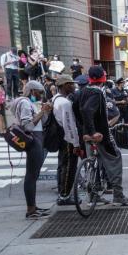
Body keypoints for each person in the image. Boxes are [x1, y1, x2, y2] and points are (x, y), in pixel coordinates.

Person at [76, 65, 128, 206]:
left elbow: (77, 110)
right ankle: (118, 195)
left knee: (92, 161)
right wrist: (93, 131)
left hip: (87, 135)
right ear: (103, 79)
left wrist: (85, 130)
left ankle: (93, 195)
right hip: (101, 134)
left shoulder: (83, 91)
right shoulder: (98, 92)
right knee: (116, 158)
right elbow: (86, 110)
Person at [12, 81, 53, 218]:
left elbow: (41, 122)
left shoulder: (29, 103)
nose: (41, 95)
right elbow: (28, 126)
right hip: (34, 139)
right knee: (31, 175)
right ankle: (31, 209)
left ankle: (33, 206)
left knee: (33, 175)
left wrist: (45, 112)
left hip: (37, 138)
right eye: (39, 92)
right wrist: (42, 112)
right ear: (31, 91)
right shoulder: (24, 103)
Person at [53, 75, 80, 205]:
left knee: (62, 166)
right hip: (67, 139)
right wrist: (75, 143)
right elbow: (69, 125)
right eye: (70, 84)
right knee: (69, 168)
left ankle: (62, 193)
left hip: (61, 138)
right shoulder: (65, 103)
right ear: (64, 86)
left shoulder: (55, 99)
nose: (73, 86)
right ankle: (65, 196)